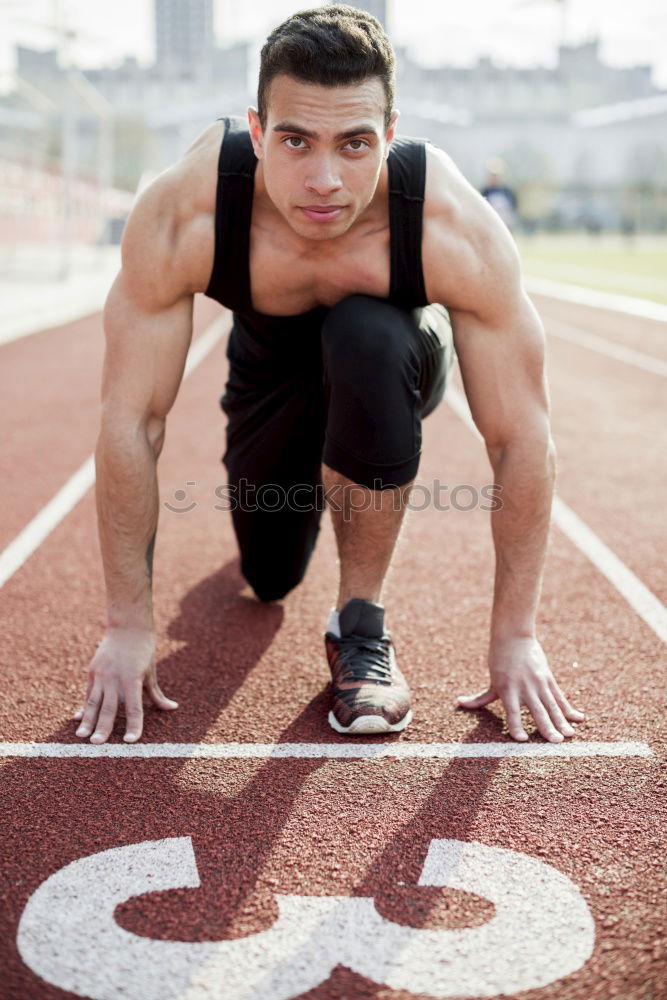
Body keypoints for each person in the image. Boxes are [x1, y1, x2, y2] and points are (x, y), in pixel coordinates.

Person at [74, 5, 585, 746]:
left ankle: (360, 624)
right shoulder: (186, 213)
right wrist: (127, 624)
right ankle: (307, 493)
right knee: (269, 578)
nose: (323, 179)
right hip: (268, 370)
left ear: (389, 132)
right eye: (294, 141)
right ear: (255, 132)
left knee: (368, 332)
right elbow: (132, 419)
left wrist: (515, 637)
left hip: (393, 356)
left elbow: (520, 436)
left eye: (353, 145)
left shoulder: (447, 225)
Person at [481, 157, 518, 233]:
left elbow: (513, 210)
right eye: (492, 175)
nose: (494, 178)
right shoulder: (485, 192)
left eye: (496, 176)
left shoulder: (508, 192)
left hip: (506, 227)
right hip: (490, 227)